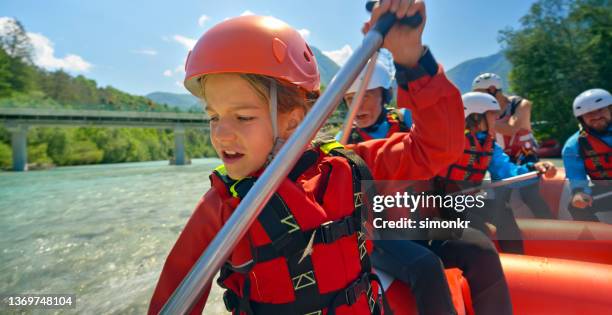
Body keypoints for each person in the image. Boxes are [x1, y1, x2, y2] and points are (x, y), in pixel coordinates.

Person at [148, 1, 465, 314]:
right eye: (214, 117)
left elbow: (438, 146)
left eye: (243, 117)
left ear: (294, 121)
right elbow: (174, 297)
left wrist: (411, 60)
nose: (221, 134)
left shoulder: (350, 168)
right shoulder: (221, 208)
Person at [343, 69, 514, 313]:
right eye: (350, 99)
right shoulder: (345, 141)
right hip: (379, 233)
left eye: (366, 95)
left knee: (480, 248)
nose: (358, 105)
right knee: (425, 265)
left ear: (384, 95)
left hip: (419, 223)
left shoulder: (407, 123)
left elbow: (439, 132)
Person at [436, 92, 557, 255]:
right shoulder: (447, 142)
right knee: (479, 227)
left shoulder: (489, 145)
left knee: (503, 211)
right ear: (476, 118)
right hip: (439, 206)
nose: (497, 120)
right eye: (493, 115)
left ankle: (517, 261)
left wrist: (534, 168)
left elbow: (508, 174)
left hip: (465, 202)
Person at [472, 73, 554, 219]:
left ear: (492, 89)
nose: (478, 101)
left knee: (529, 194)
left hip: (524, 154)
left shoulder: (521, 104)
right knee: (500, 196)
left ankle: (551, 226)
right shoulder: (485, 112)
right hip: (501, 156)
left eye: (480, 95)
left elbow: (512, 129)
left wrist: (475, 119)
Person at [562, 88, 612, 222]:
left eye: (600, 110)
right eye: (589, 113)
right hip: (606, 190)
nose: (596, 116)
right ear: (582, 119)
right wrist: (579, 193)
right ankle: (601, 242)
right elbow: (577, 178)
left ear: (610, 110)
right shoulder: (573, 145)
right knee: (576, 206)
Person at [335, 59, 413, 144]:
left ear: (385, 96)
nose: (356, 107)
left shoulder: (406, 118)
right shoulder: (342, 139)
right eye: (350, 98)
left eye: (364, 97)